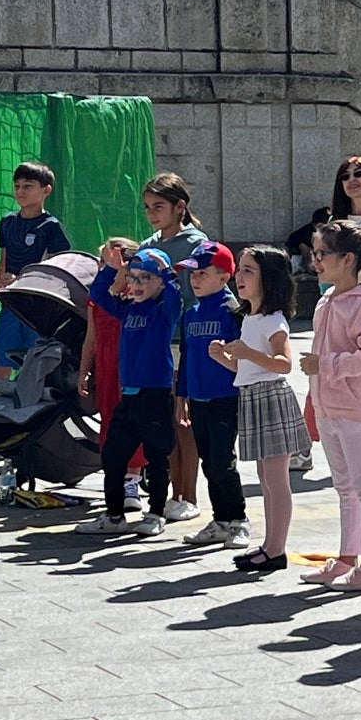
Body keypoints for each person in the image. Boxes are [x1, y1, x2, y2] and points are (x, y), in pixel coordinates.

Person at [299, 220, 361, 591]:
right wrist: (316, 394)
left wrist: (325, 366)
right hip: (330, 408)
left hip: (358, 410)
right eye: (315, 253)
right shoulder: (326, 301)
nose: (316, 261)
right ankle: (346, 558)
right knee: (344, 487)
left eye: (323, 254)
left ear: (348, 259)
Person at [215, 245, 308, 575]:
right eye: (239, 269)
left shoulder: (272, 319)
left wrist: (246, 353)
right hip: (254, 397)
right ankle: (270, 545)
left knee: (276, 479)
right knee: (266, 478)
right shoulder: (252, 318)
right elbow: (248, 370)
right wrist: (225, 358)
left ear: (269, 279)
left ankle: (276, 549)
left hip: (270, 398)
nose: (239, 277)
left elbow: (283, 364)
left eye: (248, 271)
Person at [81, 244, 182, 537]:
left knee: (157, 456)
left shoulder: (163, 311)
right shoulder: (126, 310)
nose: (137, 284)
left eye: (145, 278)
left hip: (155, 395)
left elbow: (176, 297)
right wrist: (112, 270)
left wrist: (166, 271)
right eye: (133, 277)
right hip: (129, 396)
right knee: (113, 455)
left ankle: (156, 513)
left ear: (160, 283)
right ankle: (114, 515)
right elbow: (97, 295)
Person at [140, 172, 209, 523]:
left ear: (180, 207)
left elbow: (201, 292)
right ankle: (170, 493)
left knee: (184, 419)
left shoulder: (196, 244)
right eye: (148, 207)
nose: (152, 213)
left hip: (186, 340)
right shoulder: (147, 244)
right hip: (156, 342)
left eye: (159, 206)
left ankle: (189, 494)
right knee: (165, 421)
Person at [174, 241, 249, 549]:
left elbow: (244, 356)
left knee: (222, 461)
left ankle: (238, 520)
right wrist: (182, 396)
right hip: (198, 398)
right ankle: (220, 520)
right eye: (192, 273)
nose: (195, 279)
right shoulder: (190, 314)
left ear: (224, 277)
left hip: (225, 398)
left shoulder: (233, 312)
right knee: (208, 461)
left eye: (202, 273)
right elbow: (187, 356)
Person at [0, 162, 69, 380]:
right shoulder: (7, 222)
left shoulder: (51, 226)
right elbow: (3, 263)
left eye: (28, 186)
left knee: (37, 365)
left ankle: (33, 402)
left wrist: (22, 280)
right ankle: (0, 402)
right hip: (11, 305)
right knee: (0, 364)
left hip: (37, 310)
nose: (21, 191)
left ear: (46, 190)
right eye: (17, 186)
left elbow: (57, 271)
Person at [80, 236, 145, 507]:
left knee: (134, 418)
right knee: (108, 418)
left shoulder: (138, 294)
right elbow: (91, 337)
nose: (103, 266)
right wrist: (84, 370)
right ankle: (114, 477)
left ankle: (133, 480)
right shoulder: (97, 298)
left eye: (109, 261)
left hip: (132, 364)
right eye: (102, 262)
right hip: (106, 365)